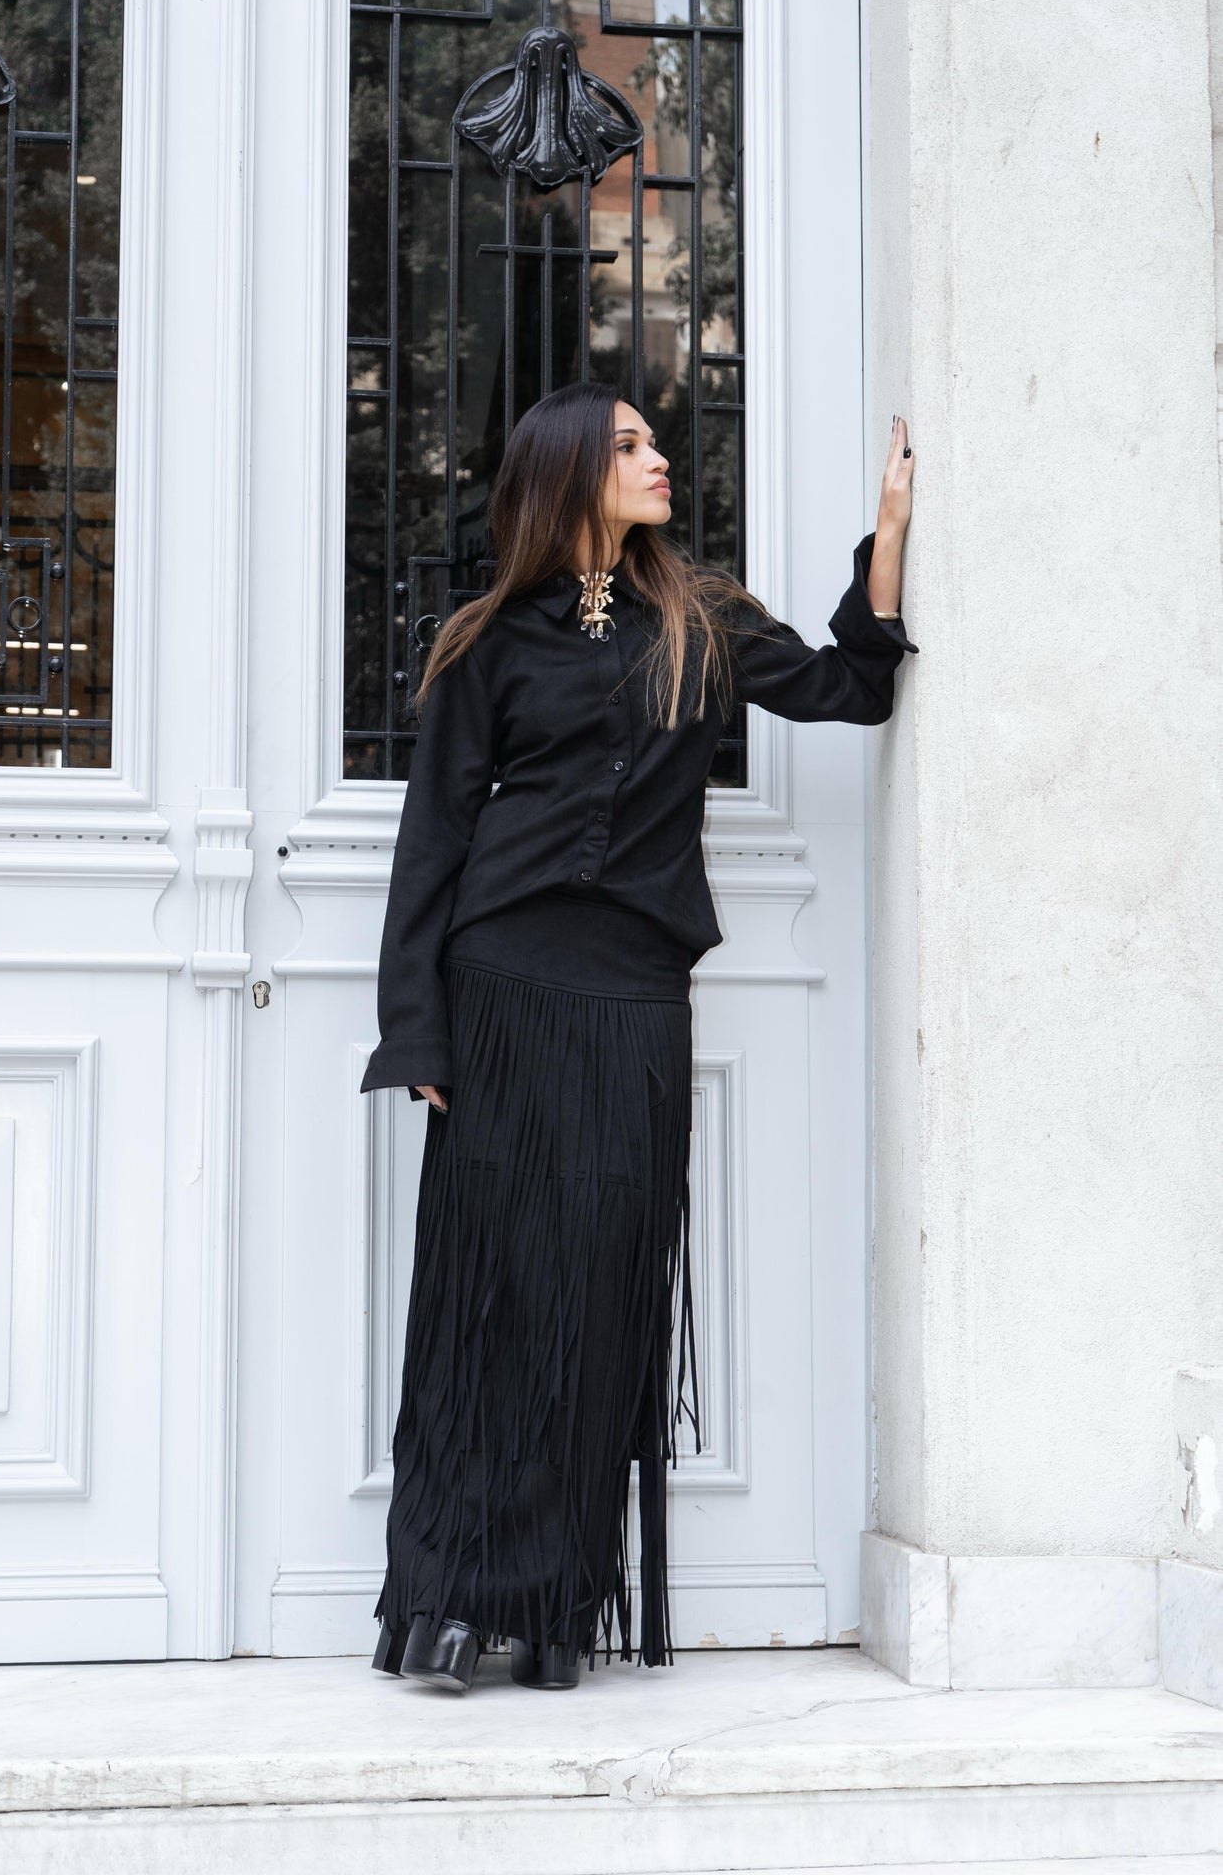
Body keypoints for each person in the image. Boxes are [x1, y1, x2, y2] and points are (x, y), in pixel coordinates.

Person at [359, 381, 916, 1693]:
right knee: (486, 1303)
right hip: (501, 991)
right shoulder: (485, 642)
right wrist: (416, 1033)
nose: (658, 458)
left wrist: (886, 539)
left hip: (633, 1001)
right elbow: (432, 846)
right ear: (567, 472)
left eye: (654, 442)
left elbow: (851, 691)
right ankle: (447, 1598)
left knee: (597, 1304)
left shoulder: (701, 620)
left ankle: (549, 1605)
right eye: (629, 445)